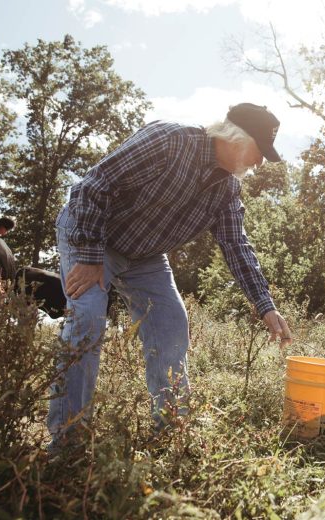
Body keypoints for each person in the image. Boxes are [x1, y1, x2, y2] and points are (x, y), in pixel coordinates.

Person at [48, 103, 293, 451]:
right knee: (87, 317)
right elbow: (93, 185)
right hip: (93, 235)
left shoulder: (227, 191)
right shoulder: (171, 141)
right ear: (237, 138)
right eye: (259, 152)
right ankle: (66, 442)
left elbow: (237, 246)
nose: (259, 163)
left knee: (172, 325)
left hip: (145, 255)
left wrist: (265, 306)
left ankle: (171, 431)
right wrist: (88, 257)